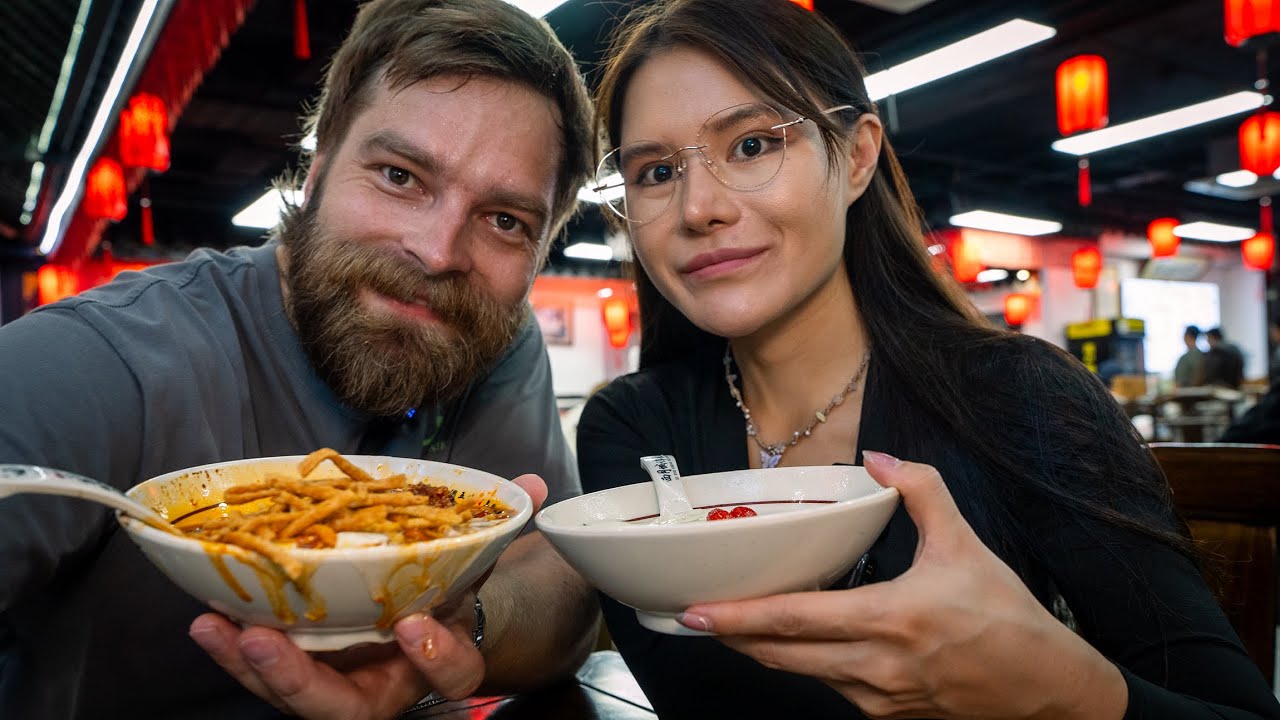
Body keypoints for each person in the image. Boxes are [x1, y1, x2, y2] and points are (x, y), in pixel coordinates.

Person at [574, 1, 1280, 717]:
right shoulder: (633, 432)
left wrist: (1053, 686)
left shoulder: (1020, 397)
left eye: (753, 145)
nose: (699, 207)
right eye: (657, 172)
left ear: (855, 155)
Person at [0, 1, 600, 718]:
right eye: (400, 176)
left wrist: (446, 639)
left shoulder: (490, 337)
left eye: (505, 220)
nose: (438, 254)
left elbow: (564, 583)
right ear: (316, 175)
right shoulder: (97, 362)